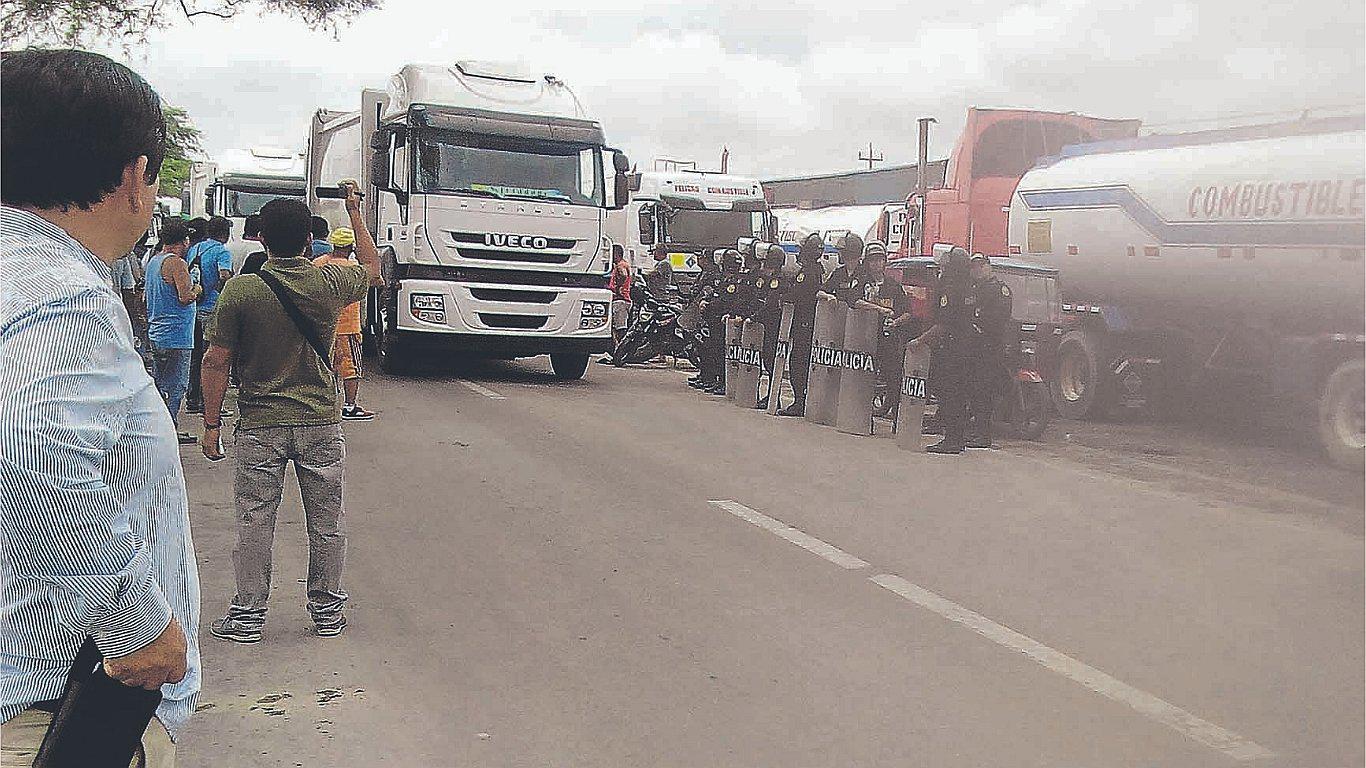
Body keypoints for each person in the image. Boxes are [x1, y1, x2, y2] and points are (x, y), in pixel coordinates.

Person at [0, 48, 199, 765]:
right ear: (136, 176)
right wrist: (136, 621)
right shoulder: (62, 293)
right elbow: (27, 445)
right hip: (47, 714)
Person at [199, 184, 382, 642]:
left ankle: (247, 618)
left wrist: (211, 425)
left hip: (260, 424)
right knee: (326, 520)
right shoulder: (329, 282)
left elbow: (216, 360)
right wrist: (354, 212)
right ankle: (326, 613)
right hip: (321, 421)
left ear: (260, 238)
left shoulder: (242, 291)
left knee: (255, 520)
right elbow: (373, 267)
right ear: (308, 241)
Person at [908, 246, 976, 454]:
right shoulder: (969, 286)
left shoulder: (951, 287)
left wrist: (920, 340)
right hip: (965, 347)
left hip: (951, 348)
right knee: (959, 394)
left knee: (950, 394)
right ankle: (956, 437)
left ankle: (952, 440)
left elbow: (943, 324)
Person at [145, 218, 202, 444]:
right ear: (184, 240)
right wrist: (197, 287)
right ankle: (169, 430)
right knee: (176, 385)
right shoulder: (177, 264)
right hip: (177, 335)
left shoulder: (153, 262)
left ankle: (159, 427)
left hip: (158, 332)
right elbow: (185, 296)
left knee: (161, 384)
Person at [313, 226, 376, 421]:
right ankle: (349, 406)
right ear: (352, 247)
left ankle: (323, 404)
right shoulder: (354, 269)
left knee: (324, 366)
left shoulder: (318, 264)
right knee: (351, 368)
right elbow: (376, 279)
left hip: (323, 326)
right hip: (348, 327)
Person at [849, 242, 915, 410]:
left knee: (892, 373)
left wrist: (896, 322)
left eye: (880, 260)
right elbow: (853, 301)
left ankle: (892, 405)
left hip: (888, 338)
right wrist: (878, 308)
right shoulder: (862, 282)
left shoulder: (893, 285)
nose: (876, 264)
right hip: (864, 337)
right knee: (861, 375)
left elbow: (907, 312)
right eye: (873, 260)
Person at [185, 215, 233, 416]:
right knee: (212, 358)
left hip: (193, 307)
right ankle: (210, 403)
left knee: (196, 356)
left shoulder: (195, 249)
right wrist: (223, 290)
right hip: (212, 307)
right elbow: (224, 275)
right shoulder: (222, 251)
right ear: (225, 233)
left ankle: (192, 399)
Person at [966, 253, 1013, 448]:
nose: (978, 270)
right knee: (974, 391)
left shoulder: (999, 290)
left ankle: (983, 435)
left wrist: (978, 322)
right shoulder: (974, 289)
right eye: (975, 267)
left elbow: (996, 319)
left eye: (982, 266)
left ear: (989, 267)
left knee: (984, 391)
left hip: (990, 347)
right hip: (975, 347)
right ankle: (976, 431)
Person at [777, 234, 825, 416]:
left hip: (804, 322)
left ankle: (799, 401)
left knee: (798, 362)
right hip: (807, 321)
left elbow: (797, 294)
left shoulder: (808, 272)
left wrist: (783, 296)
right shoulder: (817, 270)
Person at [755, 243, 787, 408]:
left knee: (772, 360)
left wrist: (755, 317)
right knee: (767, 360)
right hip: (767, 325)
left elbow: (770, 304)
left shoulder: (777, 280)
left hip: (774, 325)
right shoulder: (767, 279)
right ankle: (771, 395)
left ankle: (775, 396)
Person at [687, 249, 725, 390]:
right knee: (703, 348)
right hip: (701, 315)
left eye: (701, 257)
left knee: (710, 349)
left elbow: (711, 293)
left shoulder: (714, 275)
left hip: (711, 317)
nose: (699, 260)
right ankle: (705, 375)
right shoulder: (705, 273)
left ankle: (711, 378)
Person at [818, 232, 864, 305]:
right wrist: (828, 296)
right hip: (840, 314)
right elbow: (820, 291)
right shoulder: (839, 273)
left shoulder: (864, 273)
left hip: (858, 315)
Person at [608, 246, 632, 348]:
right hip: (623, 300)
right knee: (617, 328)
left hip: (620, 301)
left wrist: (617, 288)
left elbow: (623, 275)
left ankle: (622, 351)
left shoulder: (620, 265)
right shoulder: (625, 264)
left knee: (620, 328)